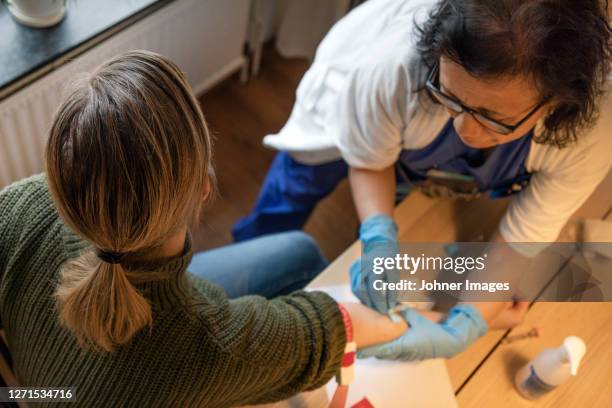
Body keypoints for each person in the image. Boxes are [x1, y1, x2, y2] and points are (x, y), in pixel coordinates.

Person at [0, 51, 524, 407]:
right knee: (302, 257)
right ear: (204, 189)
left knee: (296, 251)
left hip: (39, 392)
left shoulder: (20, 205)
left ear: (66, 177)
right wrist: (465, 324)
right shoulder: (210, 346)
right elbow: (346, 325)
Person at [232, 0, 612, 322]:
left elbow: (520, 239)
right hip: (355, 102)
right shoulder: (392, 69)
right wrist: (378, 234)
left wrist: (472, 318)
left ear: (558, 103)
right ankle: (248, 256)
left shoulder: (594, 130)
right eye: (450, 97)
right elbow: (369, 161)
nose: (467, 131)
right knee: (296, 186)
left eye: (494, 118)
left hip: (409, 122)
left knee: (393, 198)